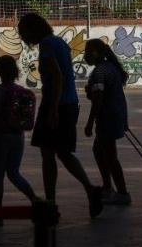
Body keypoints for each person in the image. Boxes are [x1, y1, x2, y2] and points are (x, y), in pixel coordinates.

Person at [16, 13, 103, 218]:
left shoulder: (47, 45)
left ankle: (51, 201)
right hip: (70, 103)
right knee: (63, 152)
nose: (22, 36)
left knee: (48, 154)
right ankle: (90, 190)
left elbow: (56, 77)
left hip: (57, 104)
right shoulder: (59, 43)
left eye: (23, 32)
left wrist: (53, 108)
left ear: (32, 29)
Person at [0, 55, 42, 227]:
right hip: (18, 137)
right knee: (14, 173)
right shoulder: (22, 91)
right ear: (15, 72)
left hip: (0, 138)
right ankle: (34, 199)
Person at [82, 39, 131, 205]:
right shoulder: (111, 68)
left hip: (107, 118)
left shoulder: (99, 72)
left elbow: (98, 100)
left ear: (97, 53)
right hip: (116, 115)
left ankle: (122, 192)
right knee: (99, 150)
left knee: (110, 156)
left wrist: (89, 123)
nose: (85, 54)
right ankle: (108, 187)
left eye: (88, 51)